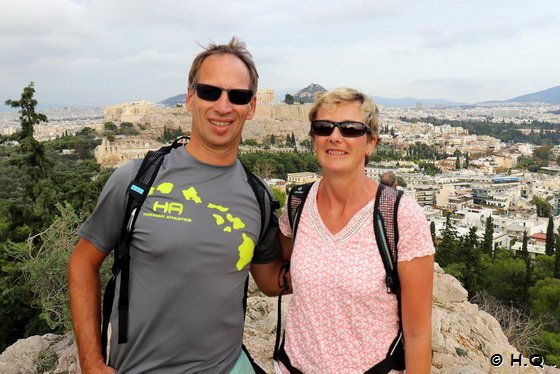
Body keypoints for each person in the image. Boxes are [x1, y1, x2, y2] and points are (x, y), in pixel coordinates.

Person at [68, 37, 287, 374]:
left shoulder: (256, 196)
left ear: (252, 106)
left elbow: (272, 282)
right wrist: (91, 363)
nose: (223, 106)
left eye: (237, 96)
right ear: (190, 98)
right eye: (210, 92)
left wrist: (327, 241)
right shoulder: (136, 179)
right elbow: (83, 262)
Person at [277, 88, 434, 373]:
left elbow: (418, 334)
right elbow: (282, 270)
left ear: (371, 142)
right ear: (314, 138)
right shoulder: (296, 204)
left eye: (350, 129)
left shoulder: (400, 215)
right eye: (324, 128)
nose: (335, 137)